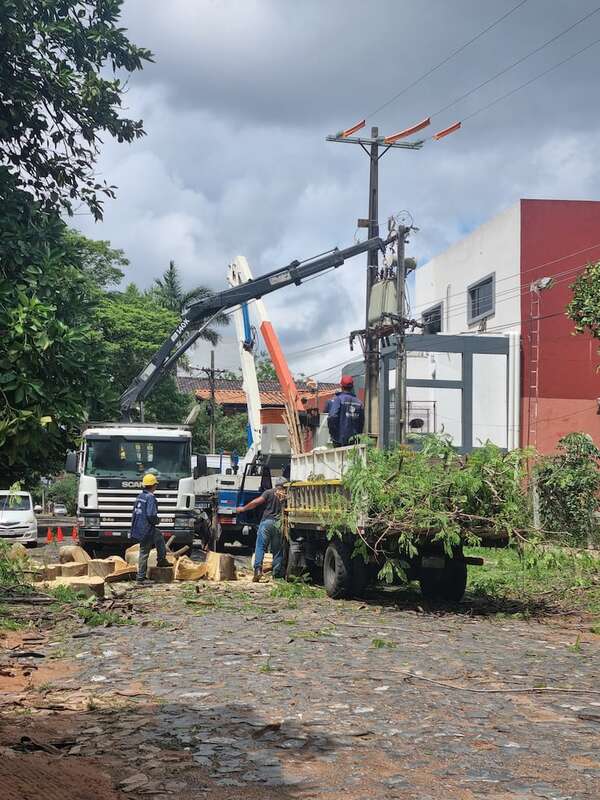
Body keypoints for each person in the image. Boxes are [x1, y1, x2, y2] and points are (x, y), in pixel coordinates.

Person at [236, 478, 286, 583]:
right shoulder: (286, 495)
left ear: (276, 484)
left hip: (266, 523)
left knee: (260, 546)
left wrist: (243, 509)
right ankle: (277, 575)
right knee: (277, 550)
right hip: (279, 524)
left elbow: (256, 502)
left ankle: (258, 570)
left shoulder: (269, 492)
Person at [130, 473, 170, 585]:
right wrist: (157, 521)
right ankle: (141, 578)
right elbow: (151, 515)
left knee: (159, 536)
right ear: (153, 485)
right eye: (155, 485)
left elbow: (134, 513)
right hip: (147, 529)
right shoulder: (150, 497)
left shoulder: (140, 496)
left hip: (139, 527)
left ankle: (161, 560)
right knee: (144, 552)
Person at [326, 375, 365, 447]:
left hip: (339, 440)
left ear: (341, 386)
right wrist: (358, 436)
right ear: (352, 387)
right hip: (354, 441)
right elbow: (361, 422)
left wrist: (333, 434)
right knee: (352, 455)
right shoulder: (359, 403)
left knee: (340, 455)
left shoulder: (338, 399)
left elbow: (332, 416)